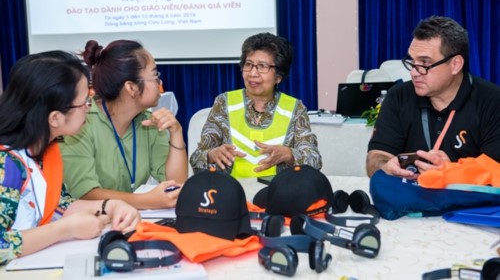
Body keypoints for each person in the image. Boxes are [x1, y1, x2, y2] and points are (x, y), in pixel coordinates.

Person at [0, 51, 140, 265]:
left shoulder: (45, 151)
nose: (89, 107)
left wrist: (111, 206)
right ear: (55, 118)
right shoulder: (6, 165)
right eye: (84, 102)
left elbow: (59, 205)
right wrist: (64, 229)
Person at [366, 16, 500, 178]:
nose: (414, 72)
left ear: (455, 64)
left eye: (424, 63)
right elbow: (375, 157)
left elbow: (496, 171)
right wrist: (387, 166)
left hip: (470, 201)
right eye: (412, 61)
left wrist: (452, 172)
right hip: (411, 199)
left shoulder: (492, 101)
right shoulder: (398, 96)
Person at [61, 40, 188, 209]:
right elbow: (84, 193)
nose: (160, 84)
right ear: (131, 87)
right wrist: (145, 201)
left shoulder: (149, 123)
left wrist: (176, 133)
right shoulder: (81, 122)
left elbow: (175, 184)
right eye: (155, 76)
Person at [190, 32, 322, 177]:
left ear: (278, 76)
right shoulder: (224, 103)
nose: (253, 73)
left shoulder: (295, 108)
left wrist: (289, 154)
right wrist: (211, 154)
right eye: (249, 65)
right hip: (231, 194)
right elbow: (196, 159)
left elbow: (314, 161)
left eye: (262, 66)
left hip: (279, 194)